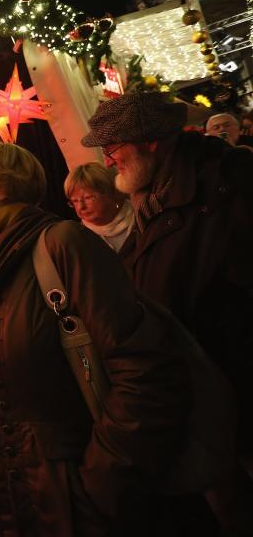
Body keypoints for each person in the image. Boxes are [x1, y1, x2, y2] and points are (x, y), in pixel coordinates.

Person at [0, 141, 190, 536]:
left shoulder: (62, 245)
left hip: (67, 505)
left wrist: (100, 489)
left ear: (1, 186)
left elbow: (145, 370)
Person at [81, 91, 253, 473]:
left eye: (112, 147)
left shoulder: (229, 180)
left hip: (234, 386)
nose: (108, 160)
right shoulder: (152, 197)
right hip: (201, 391)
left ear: (150, 141)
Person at [63, 162, 133, 253]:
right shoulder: (77, 238)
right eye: (75, 201)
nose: (81, 207)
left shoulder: (142, 220)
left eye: (88, 197)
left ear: (114, 193)